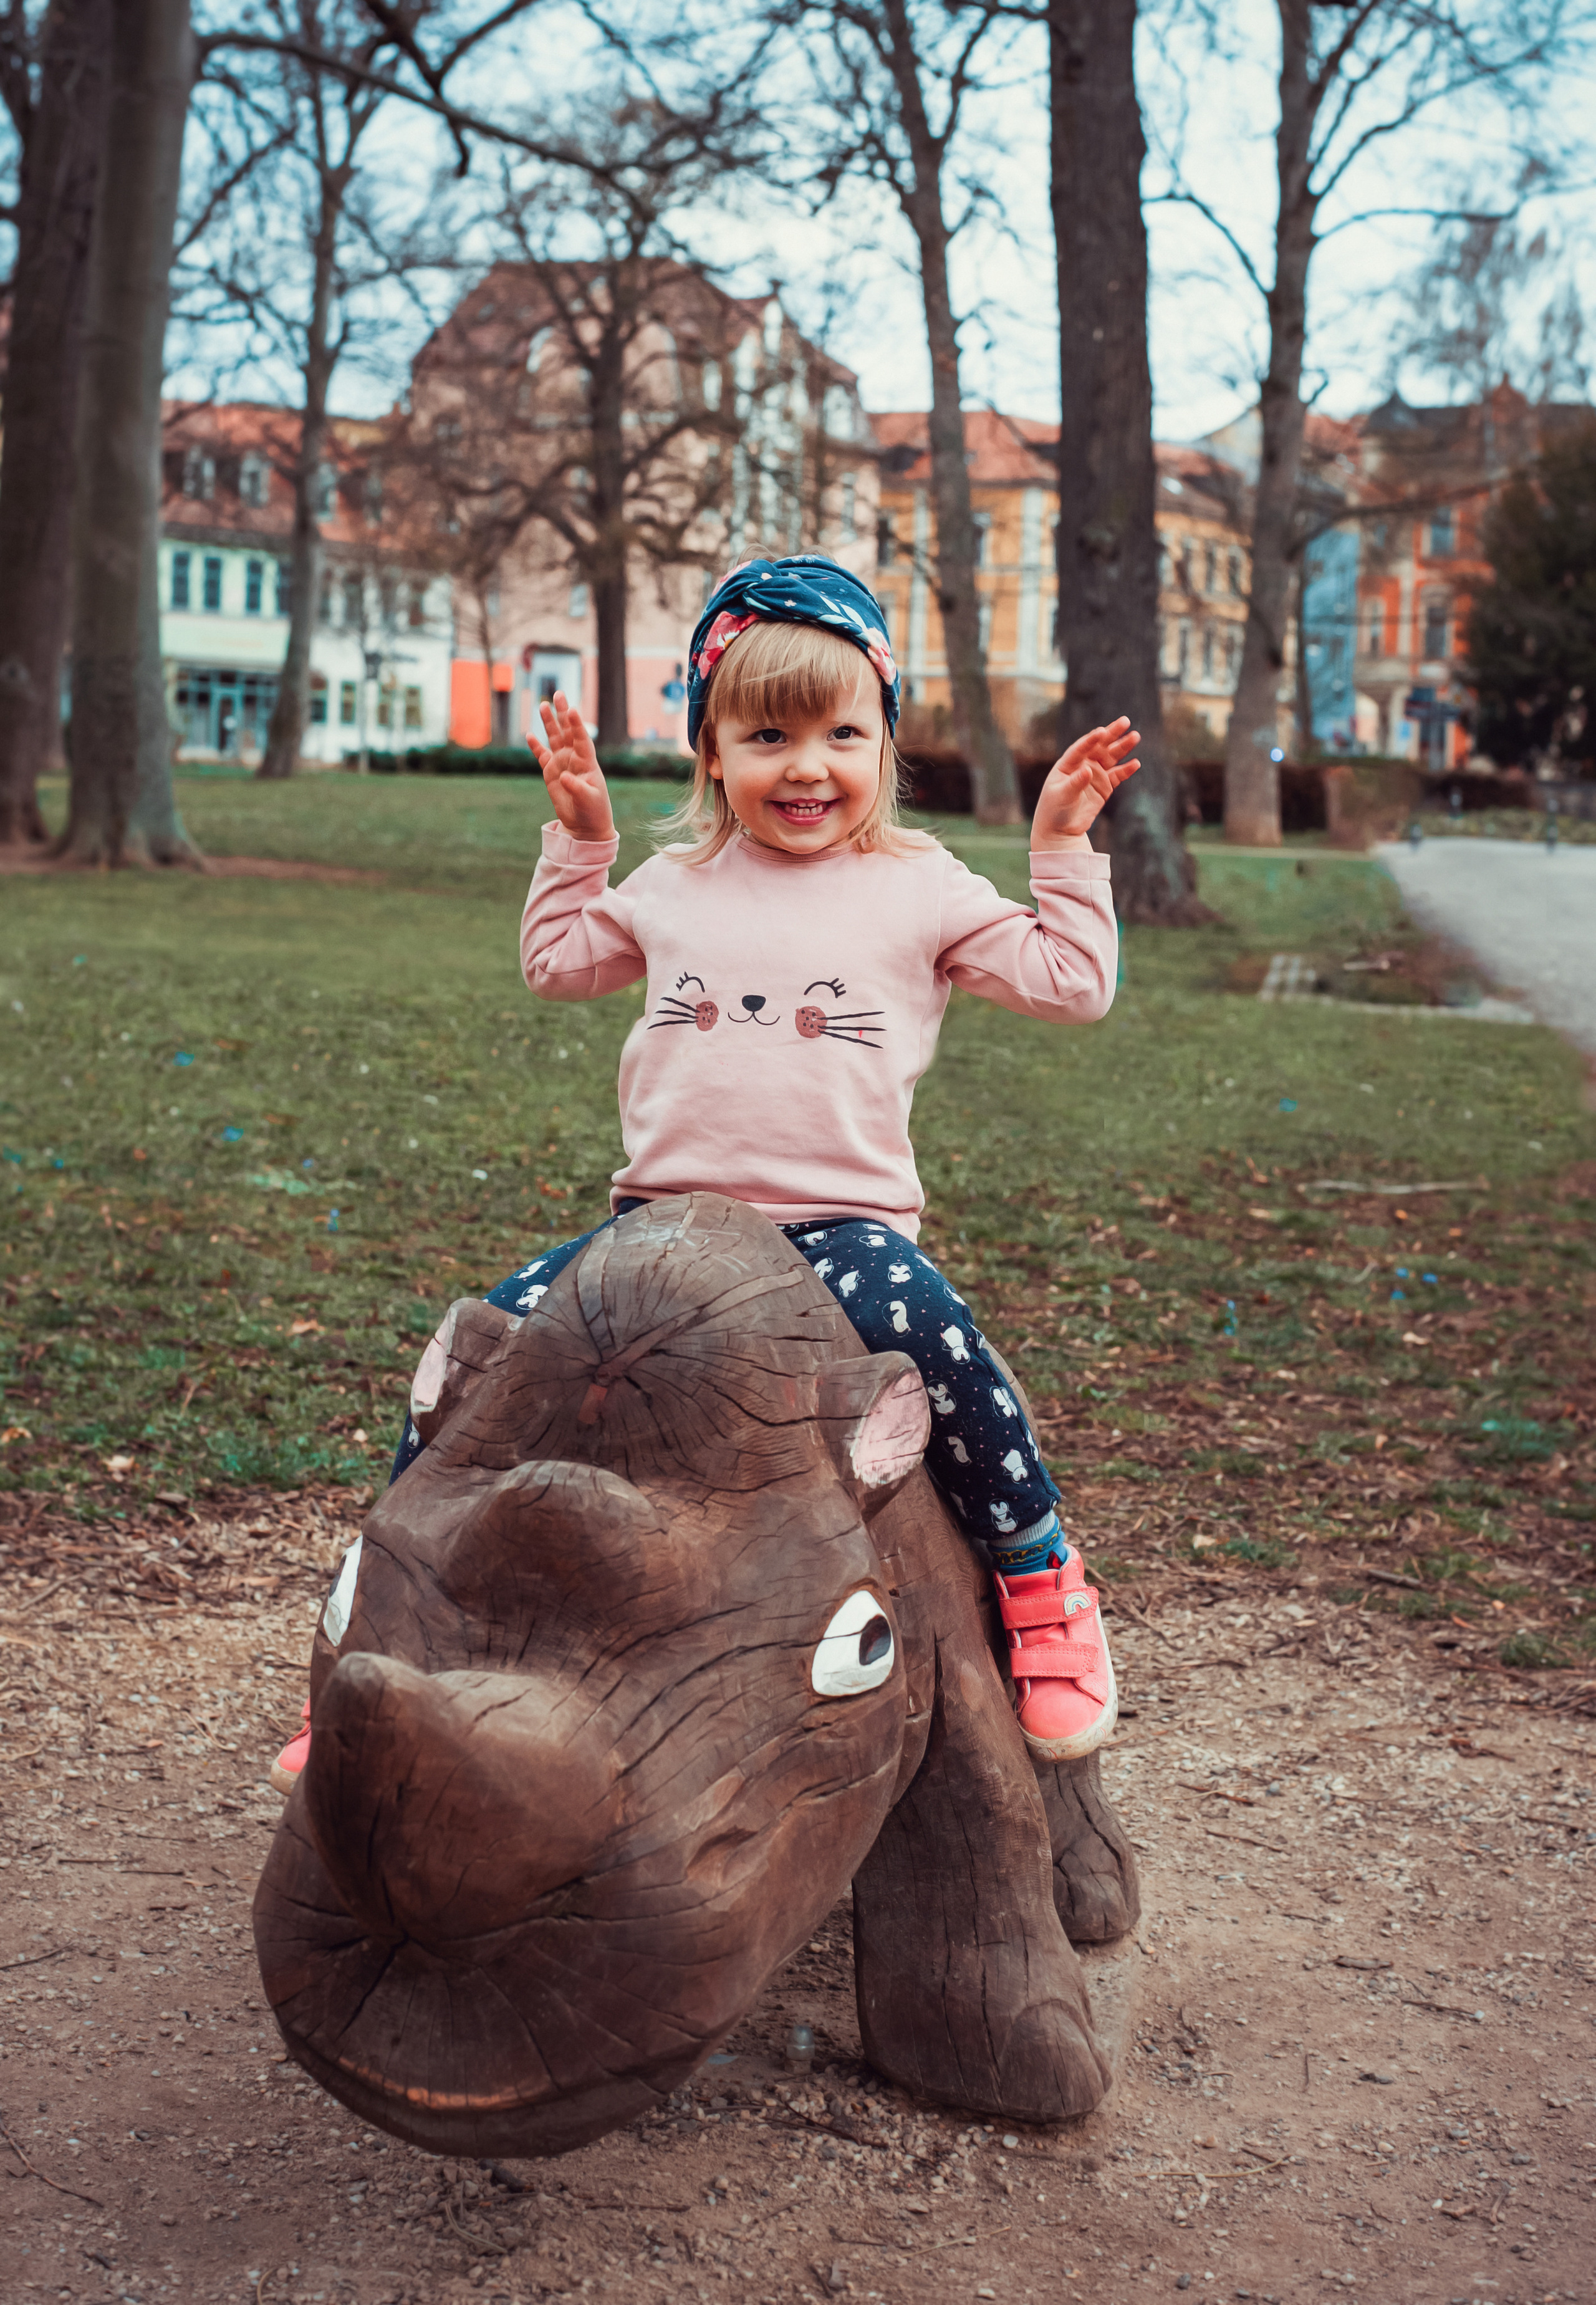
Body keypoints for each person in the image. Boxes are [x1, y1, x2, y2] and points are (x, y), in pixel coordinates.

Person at [271, 556, 1138, 1797]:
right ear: (711, 749)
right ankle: (383, 1635)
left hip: (837, 1230)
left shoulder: (919, 886)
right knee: (474, 1356)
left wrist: (1060, 847)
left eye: (841, 731)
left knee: (937, 1345)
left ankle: (1038, 1574)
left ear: (881, 742)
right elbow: (557, 965)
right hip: (659, 1227)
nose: (805, 765)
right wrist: (580, 839)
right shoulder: (673, 883)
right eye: (766, 732)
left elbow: (1073, 985)